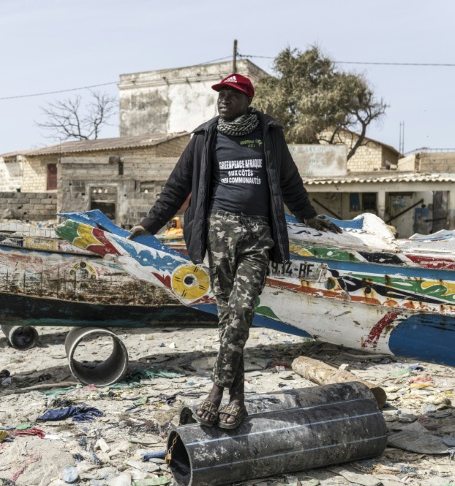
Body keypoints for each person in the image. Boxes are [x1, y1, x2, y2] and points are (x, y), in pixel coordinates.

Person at [128, 73, 341, 430]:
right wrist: (150, 224)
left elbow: (289, 182)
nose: (224, 98)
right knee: (230, 321)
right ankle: (237, 400)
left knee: (241, 312)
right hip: (218, 237)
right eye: (221, 93)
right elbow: (177, 186)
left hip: (258, 236)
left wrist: (307, 214)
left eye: (233, 93)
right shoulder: (205, 137)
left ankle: (215, 391)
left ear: (248, 99)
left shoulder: (269, 134)